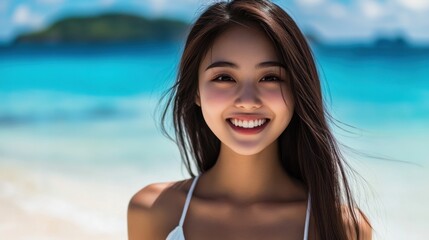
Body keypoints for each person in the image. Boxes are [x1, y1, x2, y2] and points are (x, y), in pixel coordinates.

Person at [128, 0, 373, 239]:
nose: (247, 100)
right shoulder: (153, 211)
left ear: (298, 90)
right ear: (195, 92)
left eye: (270, 78)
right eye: (224, 78)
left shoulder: (343, 227)